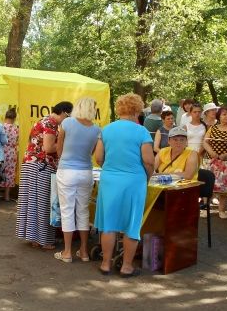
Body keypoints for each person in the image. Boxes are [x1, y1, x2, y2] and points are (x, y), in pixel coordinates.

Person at [94, 94, 154, 277]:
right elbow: (149, 161)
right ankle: (126, 266)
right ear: (137, 110)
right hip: (134, 181)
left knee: (108, 223)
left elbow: (98, 158)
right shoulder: (141, 131)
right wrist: (147, 177)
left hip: (109, 180)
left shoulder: (106, 129)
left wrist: (111, 169)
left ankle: (105, 263)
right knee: (131, 225)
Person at [16, 101, 73, 250]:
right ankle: (44, 240)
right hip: (41, 166)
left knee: (32, 203)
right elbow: (49, 148)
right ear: (64, 113)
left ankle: (35, 238)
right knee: (44, 204)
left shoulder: (44, 120)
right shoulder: (51, 123)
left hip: (32, 165)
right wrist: (66, 143)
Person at [54, 97, 100, 263]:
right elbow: (92, 153)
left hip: (67, 170)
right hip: (86, 172)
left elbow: (59, 149)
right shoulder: (97, 129)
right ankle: (84, 251)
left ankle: (67, 252)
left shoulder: (67, 123)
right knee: (83, 211)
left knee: (67, 211)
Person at [201, 107, 227, 218]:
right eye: (224, 114)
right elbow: (205, 142)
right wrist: (211, 152)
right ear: (219, 116)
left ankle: (222, 210)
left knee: (224, 186)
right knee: (208, 185)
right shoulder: (213, 127)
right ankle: (206, 208)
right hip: (211, 160)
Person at [0, 108, 19, 201]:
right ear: (14, 118)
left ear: (5, 116)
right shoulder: (16, 129)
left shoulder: (0, 127)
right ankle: (7, 196)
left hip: (0, 152)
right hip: (12, 153)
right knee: (9, 173)